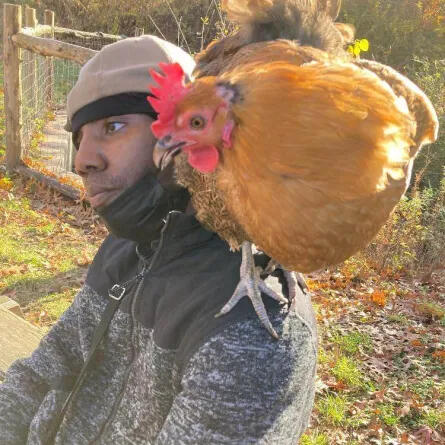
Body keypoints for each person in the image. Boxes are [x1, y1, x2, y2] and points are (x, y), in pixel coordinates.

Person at [0, 36, 317, 444]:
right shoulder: (131, 241)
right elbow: (48, 365)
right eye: (79, 138)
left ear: (185, 131)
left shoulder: (252, 332)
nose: (81, 160)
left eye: (112, 126)